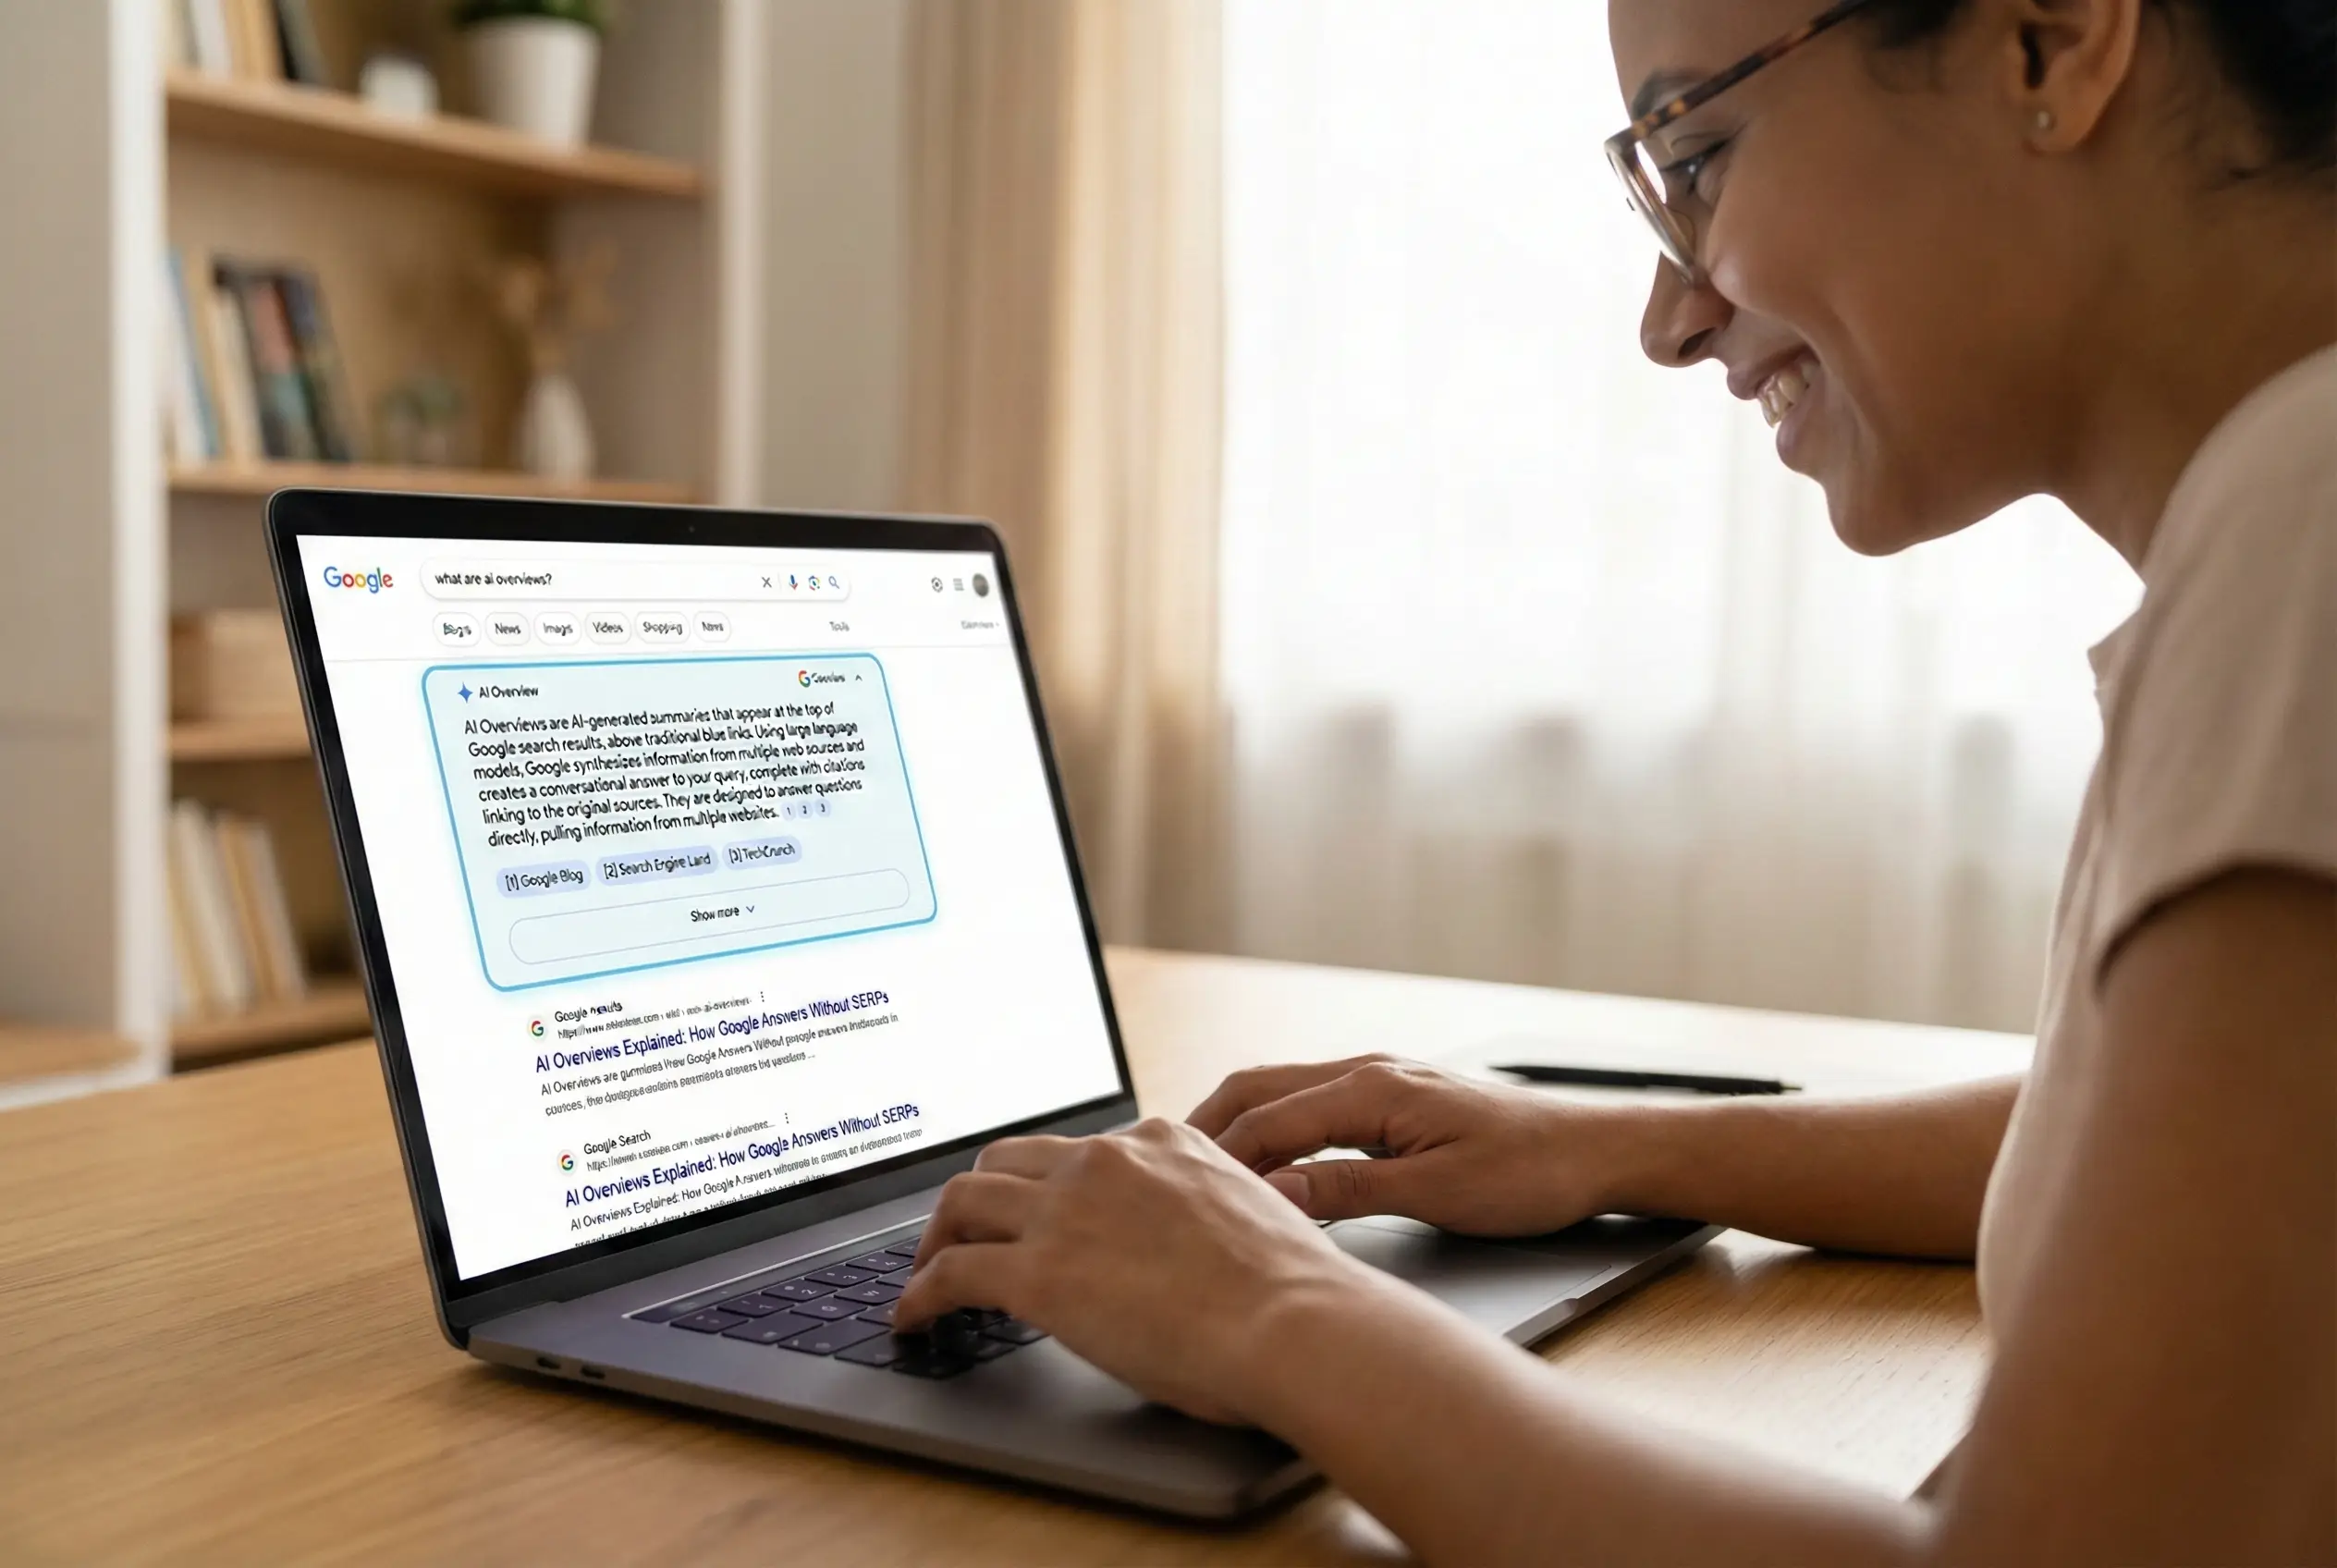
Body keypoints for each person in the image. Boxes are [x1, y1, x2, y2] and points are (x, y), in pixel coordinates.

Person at [896, 0, 2336, 1559]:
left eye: (1699, 152)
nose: (1669, 318)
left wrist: (1275, 1311)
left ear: (2049, 44)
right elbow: (2153, 1144)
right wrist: (1603, 1142)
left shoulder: (2306, 544)